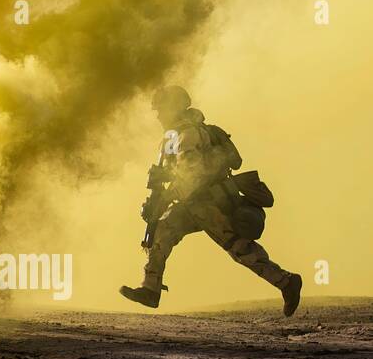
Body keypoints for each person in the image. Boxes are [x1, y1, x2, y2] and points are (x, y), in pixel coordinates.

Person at [120, 85, 301, 316]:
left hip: (207, 202)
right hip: (191, 203)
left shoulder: (187, 134)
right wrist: (157, 199)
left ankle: (286, 282)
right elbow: (168, 174)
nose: (157, 115)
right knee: (162, 231)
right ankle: (150, 289)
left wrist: (165, 198)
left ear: (173, 108)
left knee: (239, 249)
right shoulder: (175, 135)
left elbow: (192, 176)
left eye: (160, 109)